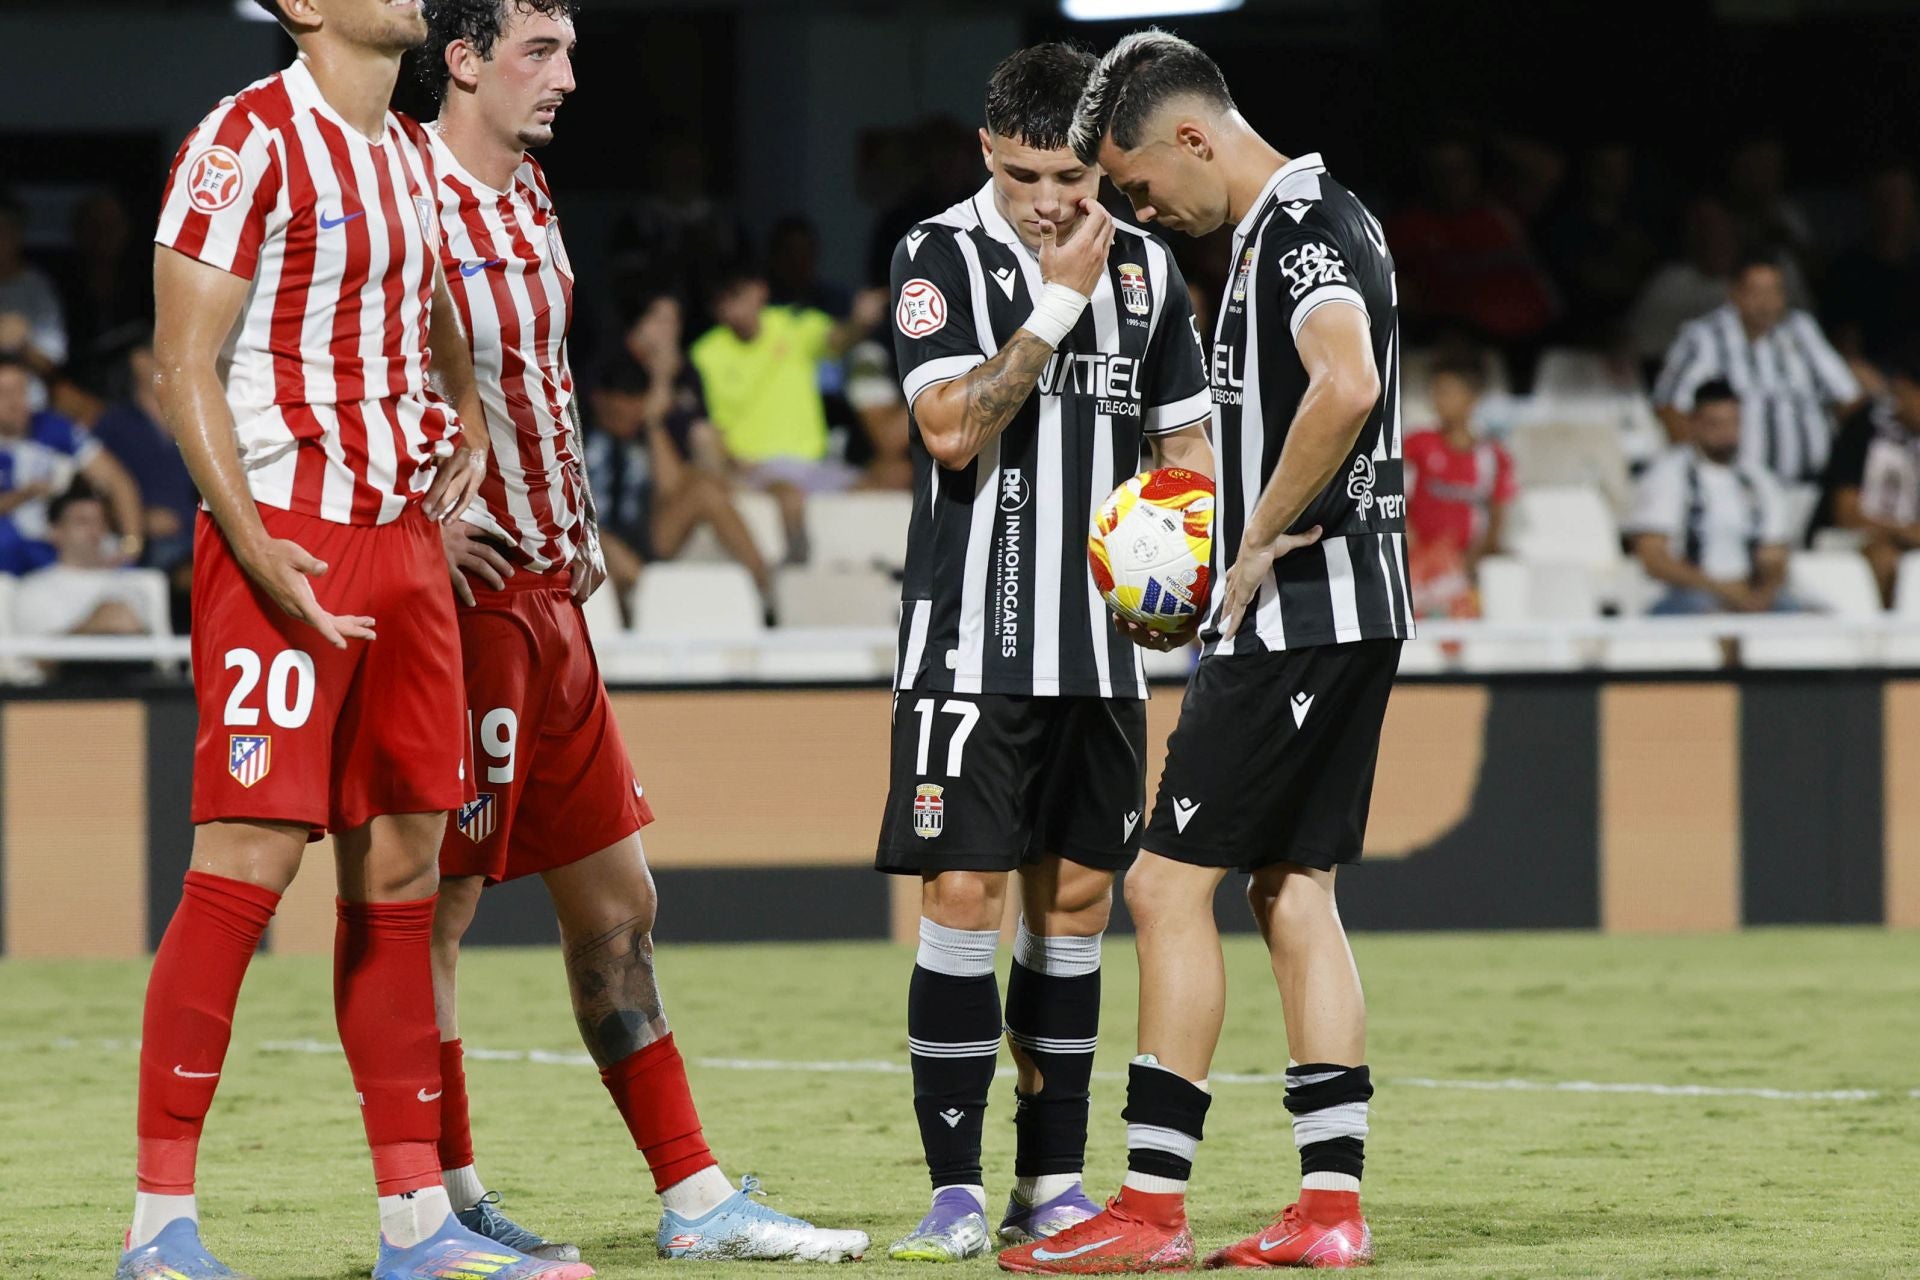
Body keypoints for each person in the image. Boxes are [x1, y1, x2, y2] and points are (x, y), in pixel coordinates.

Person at [117, 1, 564, 1277]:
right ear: (304, 4)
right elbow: (181, 363)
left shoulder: (409, 155)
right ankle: (159, 1226)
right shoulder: (246, 140)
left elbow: (426, 292)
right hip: (290, 539)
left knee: (403, 872)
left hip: (406, 544)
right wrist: (257, 550)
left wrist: (465, 403)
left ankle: (414, 1225)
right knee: (245, 867)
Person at [417, 0, 867, 1265]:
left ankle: (694, 1197)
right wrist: (415, 531)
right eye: (538, 54)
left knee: (620, 905)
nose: (565, 79)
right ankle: (441, 1200)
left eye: (569, 53)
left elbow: (537, 387)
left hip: (554, 600)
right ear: (462, 59)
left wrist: (576, 539)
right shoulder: (399, 191)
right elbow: (338, 369)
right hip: (466, 613)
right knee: (435, 911)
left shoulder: (530, 192)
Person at [1000, 30, 1417, 1273]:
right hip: (1354, 609)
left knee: (1162, 883)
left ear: (1192, 136)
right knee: (1294, 889)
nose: (1141, 211)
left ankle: (1150, 1206)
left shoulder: (1293, 231)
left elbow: (1340, 385)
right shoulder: (1321, 221)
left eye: (1135, 187)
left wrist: (1249, 539)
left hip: (1297, 615)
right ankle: (1330, 1208)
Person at [873, 42, 1214, 1264]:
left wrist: (1178, 561)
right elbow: (952, 431)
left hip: (1102, 657)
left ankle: (1054, 1183)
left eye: (1074, 173)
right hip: (968, 645)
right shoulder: (937, 257)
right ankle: (956, 1187)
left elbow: (1184, 448)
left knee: (1075, 908)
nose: (1055, 199)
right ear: (987, 153)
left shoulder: (1154, 272)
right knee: (960, 896)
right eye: (1026, 173)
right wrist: (1057, 299)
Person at [688, 263, 886, 557]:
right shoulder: (705, 353)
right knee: (789, 496)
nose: (732, 310)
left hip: (814, 466)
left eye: (737, 296)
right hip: (756, 469)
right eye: (722, 302)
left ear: (760, 291)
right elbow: (704, 427)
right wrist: (730, 461)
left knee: (879, 489)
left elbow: (838, 339)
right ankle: (797, 575)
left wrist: (859, 322)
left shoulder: (793, 325)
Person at [584, 353, 776, 616]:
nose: (631, 408)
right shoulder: (578, 436)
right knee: (601, 540)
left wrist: (653, 423)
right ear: (601, 398)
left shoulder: (643, 438)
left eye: (637, 398)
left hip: (645, 539)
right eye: (625, 397)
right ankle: (646, 611)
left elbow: (670, 487)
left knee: (704, 489)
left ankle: (767, 595)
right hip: (593, 543)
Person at [1653, 254, 1862, 487]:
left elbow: (1847, 397)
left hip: (1809, 486)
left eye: (1774, 292)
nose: (1766, 303)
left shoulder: (1801, 330)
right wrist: (1704, 477)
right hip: (1737, 487)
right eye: (1757, 293)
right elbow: (1670, 409)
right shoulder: (1702, 338)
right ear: (1734, 294)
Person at [1629, 379, 1797, 617]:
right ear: (1694, 423)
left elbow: (1774, 555)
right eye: (1715, 425)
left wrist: (1762, 593)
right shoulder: (1667, 475)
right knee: (1710, 615)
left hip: (1749, 592)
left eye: (1733, 423)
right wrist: (1721, 588)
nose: (1726, 434)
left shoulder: (1760, 480)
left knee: (1804, 616)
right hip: (1684, 593)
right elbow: (1654, 557)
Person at [0, 354, 143, 574]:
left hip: (63, 548)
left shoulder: (54, 427)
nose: (15, 402)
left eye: (20, 390)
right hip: (10, 555)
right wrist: (26, 494)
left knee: (131, 572)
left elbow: (117, 480)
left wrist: (132, 542)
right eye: (4, 393)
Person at [1403, 352, 1514, 617]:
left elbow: (1498, 515)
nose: (1440, 401)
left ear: (1472, 398)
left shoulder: (1493, 456)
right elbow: (1395, 497)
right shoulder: (1417, 444)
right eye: (1436, 392)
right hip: (1418, 560)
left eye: (1448, 392)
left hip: (1467, 562)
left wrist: (1471, 561)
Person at [89, 336, 200, 579]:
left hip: (203, 533)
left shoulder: (198, 415)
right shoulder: (114, 423)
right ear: (138, 361)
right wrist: (134, 520)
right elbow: (96, 487)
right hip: (150, 544)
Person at [1823, 336, 1920, 606]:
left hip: (1911, 536)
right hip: (1850, 537)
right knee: (1884, 557)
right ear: (1902, 388)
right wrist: (1906, 531)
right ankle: (1887, 639)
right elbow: (1847, 513)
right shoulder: (1863, 428)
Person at [12, 481, 160, 639]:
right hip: (74, 664)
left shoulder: (137, 585)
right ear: (55, 531)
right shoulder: (33, 589)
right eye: (83, 522)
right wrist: (99, 624)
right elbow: (37, 658)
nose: (95, 531)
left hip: (136, 662)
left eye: (101, 522)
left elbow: (159, 654)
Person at [0, 190, 67, 380]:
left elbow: (53, 364)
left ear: (18, 234)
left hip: (29, 405)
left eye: (5, 230)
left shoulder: (37, 287)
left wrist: (21, 345)